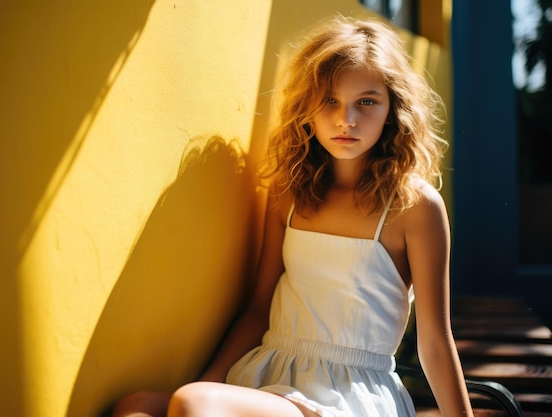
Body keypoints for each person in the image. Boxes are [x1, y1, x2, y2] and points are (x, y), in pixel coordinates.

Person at [112, 15, 474, 417]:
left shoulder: (414, 206)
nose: (346, 120)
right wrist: (206, 383)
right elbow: (258, 309)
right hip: (269, 374)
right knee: (137, 407)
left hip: (347, 395)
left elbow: (435, 342)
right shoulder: (289, 193)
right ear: (307, 107)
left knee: (193, 403)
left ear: (392, 108)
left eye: (366, 102)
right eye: (329, 100)